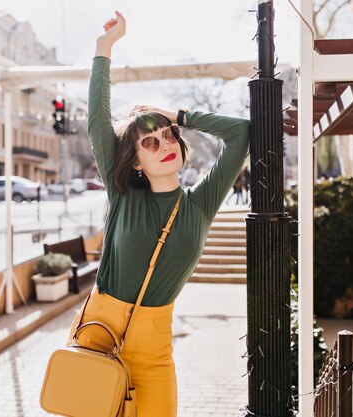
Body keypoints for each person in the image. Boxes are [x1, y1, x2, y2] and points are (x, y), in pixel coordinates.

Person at [68, 11, 249, 417]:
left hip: (154, 353)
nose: (163, 143)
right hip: (100, 334)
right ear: (134, 162)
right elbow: (99, 121)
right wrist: (104, 49)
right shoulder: (124, 198)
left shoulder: (198, 206)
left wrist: (179, 115)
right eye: (149, 142)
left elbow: (241, 133)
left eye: (167, 135)